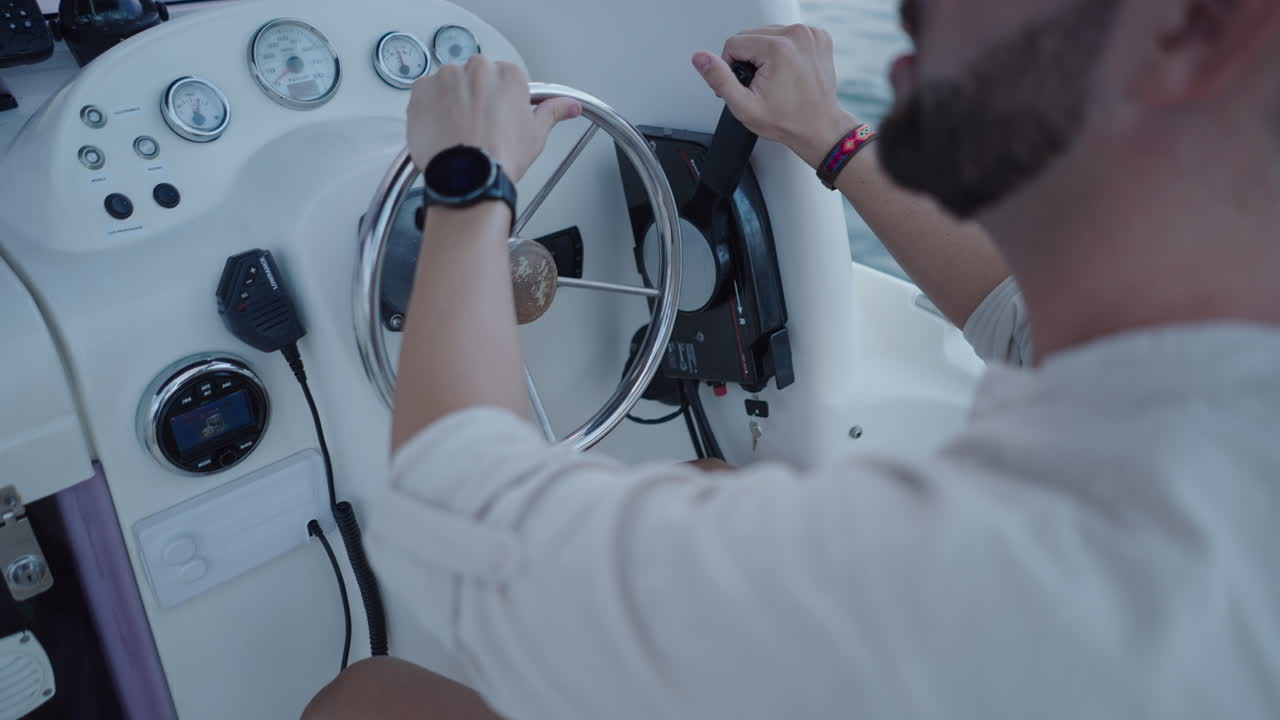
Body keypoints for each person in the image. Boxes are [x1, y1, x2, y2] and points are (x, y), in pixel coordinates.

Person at [306, 0, 1280, 717]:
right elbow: (1013, 322)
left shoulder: (1033, 567)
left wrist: (464, 184)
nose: (907, 29)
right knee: (700, 478)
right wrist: (835, 141)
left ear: (1184, 33)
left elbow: (454, 504)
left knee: (365, 699)